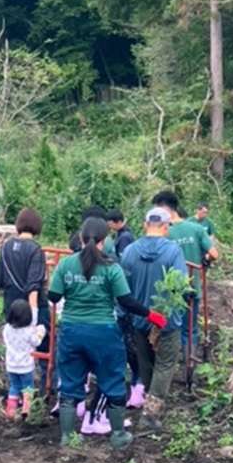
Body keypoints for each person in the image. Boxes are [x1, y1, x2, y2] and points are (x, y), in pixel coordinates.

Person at [47, 217, 167, 448]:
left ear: (81, 238)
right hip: (103, 332)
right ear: (105, 241)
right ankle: (118, 435)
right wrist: (151, 315)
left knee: (70, 384)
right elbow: (126, 301)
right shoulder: (112, 268)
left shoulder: (65, 265)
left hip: (72, 331)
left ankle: (67, 437)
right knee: (112, 380)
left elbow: (53, 297)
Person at [121, 207, 191, 430]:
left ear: (145, 225)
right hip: (166, 319)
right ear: (166, 227)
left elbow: (123, 288)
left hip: (139, 318)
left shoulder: (129, 251)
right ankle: (151, 414)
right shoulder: (173, 251)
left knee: (146, 362)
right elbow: (180, 285)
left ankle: (148, 401)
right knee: (166, 363)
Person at [152, 190, 218, 347]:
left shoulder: (163, 232)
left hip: (170, 289)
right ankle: (190, 356)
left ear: (165, 209)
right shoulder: (196, 229)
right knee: (190, 328)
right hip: (193, 285)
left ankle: (178, 355)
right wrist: (204, 260)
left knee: (172, 327)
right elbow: (214, 254)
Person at [0, 207, 47, 322]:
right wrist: (34, 315)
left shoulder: (6, 246)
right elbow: (33, 285)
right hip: (28, 308)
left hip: (11, 306)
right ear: (37, 225)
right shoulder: (35, 249)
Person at [2, 299, 46, 419]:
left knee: (14, 386)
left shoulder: (7, 329)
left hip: (11, 365)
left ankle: (11, 411)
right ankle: (27, 411)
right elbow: (36, 342)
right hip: (25, 366)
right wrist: (41, 331)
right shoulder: (28, 331)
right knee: (28, 388)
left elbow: (6, 340)